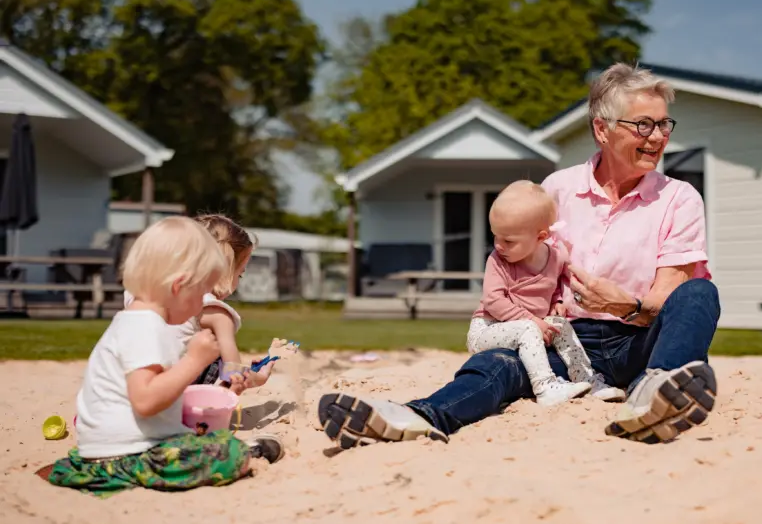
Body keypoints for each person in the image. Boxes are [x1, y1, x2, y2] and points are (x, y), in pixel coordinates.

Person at [317, 62, 721, 449]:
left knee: (700, 293)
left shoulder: (679, 198)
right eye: (643, 125)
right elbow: (517, 268)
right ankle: (417, 416)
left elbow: (667, 295)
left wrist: (624, 305)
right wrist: (526, 322)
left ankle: (656, 394)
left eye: (663, 123)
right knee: (500, 363)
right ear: (602, 128)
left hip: (641, 341)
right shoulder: (556, 190)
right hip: (569, 341)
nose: (657, 137)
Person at [48, 216, 284, 497]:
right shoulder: (145, 326)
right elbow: (146, 401)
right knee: (228, 452)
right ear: (178, 286)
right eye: (201, 293)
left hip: (105, 452)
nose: (203, 304)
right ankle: (252, 452)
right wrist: (194, 360)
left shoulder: (134, 320)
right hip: (131, 458)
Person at [467, 179, 625, 406]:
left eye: (508, 240)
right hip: (487, 329)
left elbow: (558, 279)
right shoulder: (498, 261)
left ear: (540, 237)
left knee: (561, 324)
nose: (499, 245)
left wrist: (558, 300)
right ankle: (545, 387)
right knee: (528, 329)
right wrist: (532, 320)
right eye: (495, 236)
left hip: (530, 325)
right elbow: (493, 302)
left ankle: (588, 380)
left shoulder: (556, 256)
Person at [123, 214, 295, 395]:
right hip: (171, 400)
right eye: (240, 274)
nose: (238, 281)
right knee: (213, 346)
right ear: (226, 272)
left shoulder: (142, 294)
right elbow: (234, 377)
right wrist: (258, 377)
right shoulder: (217, 313)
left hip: (130, 388)